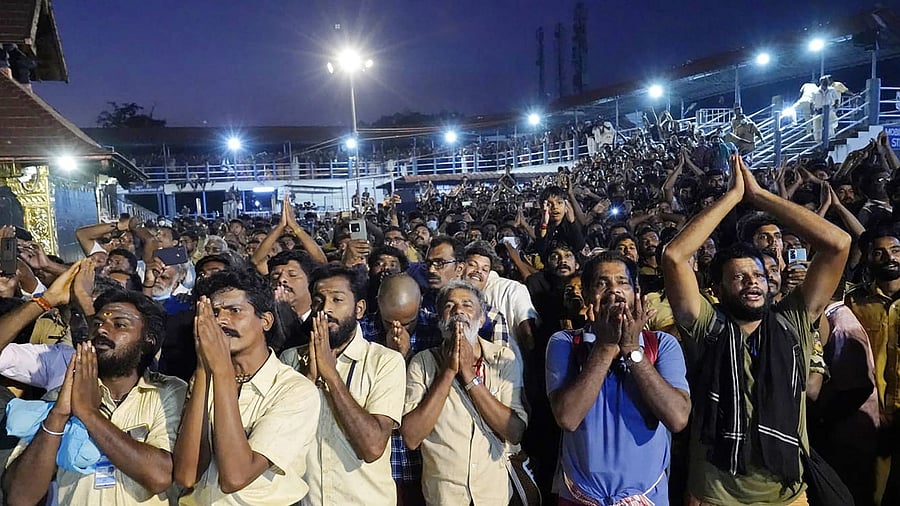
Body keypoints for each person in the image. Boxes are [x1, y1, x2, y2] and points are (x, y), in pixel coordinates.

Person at [661, 155, 850, 505]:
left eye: (759, 276)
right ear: (716, 289)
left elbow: (838, 244)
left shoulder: (791, 320)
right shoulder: (708, 325)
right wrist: (733, 197)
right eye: (739, 276)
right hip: (715, 497)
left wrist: (760, 196)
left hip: (788, 496)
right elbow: (674, 255)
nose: (753, 282)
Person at [3, 288, 187, 506]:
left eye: (119, 325)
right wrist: (59, 415)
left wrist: (88, 414)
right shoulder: (62, 395)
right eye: (98, 323)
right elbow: (19, 497)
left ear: (148, 340)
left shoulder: (168, 391)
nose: (102, 331)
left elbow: (159, 476)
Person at [547, 252, 690, 505]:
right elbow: (567, 418)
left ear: (637, 292)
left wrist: (632, 349)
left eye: (622, 283)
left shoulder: (663, 344)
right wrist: (605, 345)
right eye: (603, 284)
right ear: (588, 296)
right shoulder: (566, 343)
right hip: (580, 498)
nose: (614, 291)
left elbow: (677, 418)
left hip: (646, 498)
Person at [174, 268, 320, 505]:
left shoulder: (294, 390)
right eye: (214, 313)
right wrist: (203, 369)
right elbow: (187, 475)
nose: (221, 320)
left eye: (234, 311)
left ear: (265, 321)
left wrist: (220, 371)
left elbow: (235, 477)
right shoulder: (203, 377)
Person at [279, 265, 406, 506]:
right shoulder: (291, 359)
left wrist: (330, 375)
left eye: (337, 300)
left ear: (359, 309)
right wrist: (307, 379)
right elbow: (282, 439)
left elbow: (372, 446)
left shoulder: (384, 361)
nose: (325, 309)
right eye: (319, 300)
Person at [401, 280, 527, 505]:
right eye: (450, 306)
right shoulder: (423, 362)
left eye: (467, 305)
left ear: (481, 319)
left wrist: (469, 375)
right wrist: (449, 371)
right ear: (441, 321)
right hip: (444, 497)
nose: (458, 311)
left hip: (493, 494)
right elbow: (411, 437)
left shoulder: (503, 358)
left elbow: (514, 431)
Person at [845, 224, 900, 503]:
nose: (890, 258)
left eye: (895, 250)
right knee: (872, 493)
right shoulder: (852, 302)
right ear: (867, 258)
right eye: (879, 253)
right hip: (871, 417)